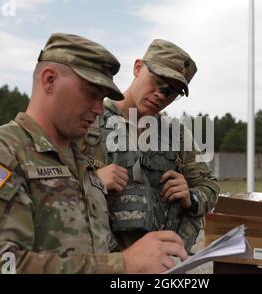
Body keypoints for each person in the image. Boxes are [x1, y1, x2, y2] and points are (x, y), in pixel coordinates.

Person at [0, 33, 187, 274]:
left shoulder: (80, 163)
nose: (100, 109)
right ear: (49, 80)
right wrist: (123, 264)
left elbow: (95, 248)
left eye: (103, 99)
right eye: (92, 94)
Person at [79, 39, 219, 252]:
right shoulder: (88, 121)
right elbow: (47, 190)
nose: (161, 95)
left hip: (160, 264)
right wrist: (93, 183)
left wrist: (190, 196)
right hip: (103, 262)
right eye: (157, 80)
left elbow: (210, 186)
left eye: (172, 91)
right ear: (137, 68)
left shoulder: (177, 135)